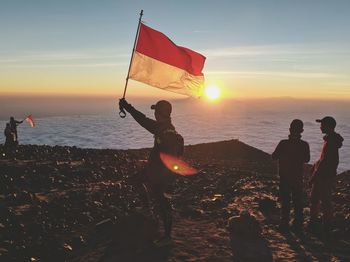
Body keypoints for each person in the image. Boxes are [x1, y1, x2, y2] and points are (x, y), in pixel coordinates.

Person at [119, 98, 183, 246]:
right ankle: (148, 210)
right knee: (137, 182)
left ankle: (167, 237)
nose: (154, 114)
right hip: (154, 172)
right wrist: (127, 106)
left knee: (163, 203)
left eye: (156, 111)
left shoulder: (167, 133)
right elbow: (142, 120)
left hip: (160, 176)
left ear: (161, 113)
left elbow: (171, 159)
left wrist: (167, 180)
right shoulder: (161, 128)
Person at [272, 119, 310, 231]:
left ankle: (284, 224)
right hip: (297, 176)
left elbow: (274, 157)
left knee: (285, 201)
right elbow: (307, 159)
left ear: (290, 129)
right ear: (302, 130)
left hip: (284, 176)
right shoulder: (304, 145)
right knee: (297, 201)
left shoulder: (283, 143)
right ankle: (298, 225)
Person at [308, 116, 343, 235]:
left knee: (319, 200)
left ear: (329, 126)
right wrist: (316, 164)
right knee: (322, 200)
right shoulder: (331, 140)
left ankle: (320, 226)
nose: (320, 127)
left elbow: (325, 161)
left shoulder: (330, 142)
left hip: (323, 176)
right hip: (327, 175)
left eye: (322, 125)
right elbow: (325, 159)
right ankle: (323, 225)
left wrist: (313, 176)